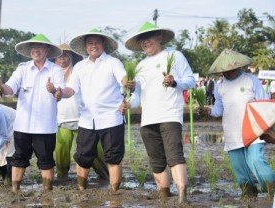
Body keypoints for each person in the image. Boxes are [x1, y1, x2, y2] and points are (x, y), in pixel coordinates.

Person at [48, 29, 132, 192]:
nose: (94, 46)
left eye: (97, 43)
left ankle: (114, 192)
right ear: (86, 47)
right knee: (83, 157)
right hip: (87, 119)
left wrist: (127, 83)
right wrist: (59, 92)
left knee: (113, 157)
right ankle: (81, 189)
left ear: (103, 45)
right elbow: (71, 89)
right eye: (90, 43)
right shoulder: (80, 67)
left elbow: (123, 77)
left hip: (111, 117)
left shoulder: (113, 63)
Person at [123, 21, 195, 204]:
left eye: (149, 37)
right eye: (142, 39)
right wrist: (128, 103)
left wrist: (174, 82)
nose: (145, 42)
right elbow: (138, 97)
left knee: (175, 156)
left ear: (159, 37)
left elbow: (190, 80)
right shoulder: (140, 66)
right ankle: (164, 196)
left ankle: (182, 198)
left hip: (169, 116)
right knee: (156, 162)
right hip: (148, 121)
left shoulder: (174, 55)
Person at [0, 34, 64, 192]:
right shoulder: (22, 68)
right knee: (19, 158)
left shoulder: (55, 70)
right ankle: (15, 189)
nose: (36, 50)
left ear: (47, 50)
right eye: (33, 47)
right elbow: (10, 88)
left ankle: (47, 190)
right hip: (23, 124)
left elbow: (59, 92)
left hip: (45, 126)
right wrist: (0, 86)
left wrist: (55, 91)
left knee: (46, 160)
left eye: (39, 47)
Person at [204, 48, 275, 198]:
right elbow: (219, 108)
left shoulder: (251, 80)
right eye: (225, 70)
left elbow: (264, 104)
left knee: (256, 160)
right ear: (221, 71)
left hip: (254, 129)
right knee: (239, 168)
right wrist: (209, 111)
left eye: (232, 69)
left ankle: (272, 188)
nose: (229, 72)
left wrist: (267, 127)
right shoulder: (220, 86)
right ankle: (248, 193)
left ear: (239, 66)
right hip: (232, 132)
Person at [53, 43, 109, 180]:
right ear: (55, 59)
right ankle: (62, 177)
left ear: (71, 57)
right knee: (61, 151)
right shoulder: (52, 74)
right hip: (61, 120)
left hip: (82, 119)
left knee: (94, 150)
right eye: (59, 56)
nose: (62, 59)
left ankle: (105, 175)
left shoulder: (78, 71)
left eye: (66, 56)